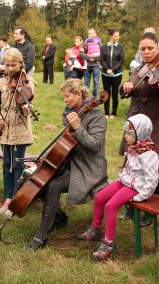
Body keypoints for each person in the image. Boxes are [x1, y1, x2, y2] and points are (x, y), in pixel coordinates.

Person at [26, 78, 108, 250]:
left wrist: (78, 127)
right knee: (39, 177)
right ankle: (59, 217)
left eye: (67, 96)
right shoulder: (71, 112)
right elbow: (65, 143)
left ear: (79, 94)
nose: (65, 100)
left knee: (53, 185)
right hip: (69, 163)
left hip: (88, 168)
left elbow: (95, 146)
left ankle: (41, 235)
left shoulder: (97, 115)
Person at [78, 114, 159, 261]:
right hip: (124, 182)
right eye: (125, 132)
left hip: (135, 187)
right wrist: (120, 177)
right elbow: (126, 167)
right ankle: (95, 228)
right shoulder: (133, 147)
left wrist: (141, 196)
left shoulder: (149, 154)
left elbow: (152, 179)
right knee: (99, 196)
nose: (125, 136)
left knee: (111, 206)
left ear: (140, 133)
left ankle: (108, 243)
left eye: (129, 133)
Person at [119, 31, 159, 226]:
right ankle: (131, 204)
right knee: (132, 164)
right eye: (142, 48)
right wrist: (126, 86)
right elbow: (127, 90)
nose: (146, 52)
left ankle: (151, 210)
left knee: (155, 165)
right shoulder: (138, 69)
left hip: (156, 120)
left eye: (150, 48)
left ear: (158, 47)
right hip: (136, 121)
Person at [0, 47, 35, 215]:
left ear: (20, 63)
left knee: (17, 165)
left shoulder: (27, 82)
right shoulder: (1, 82)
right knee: (6, 163)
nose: (9, 69)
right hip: (5, 130)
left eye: (13, 65)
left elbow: (29, 106)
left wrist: (26, 109)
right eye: (7, 65)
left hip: (21, 131)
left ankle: (16, 199)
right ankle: (8, 197)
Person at [99, 28, 124, 118]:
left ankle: (113, 112)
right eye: (115, 36)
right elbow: (101, 59)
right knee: (106, 93)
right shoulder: (104, 47)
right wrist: (107, 69)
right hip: (105, 74)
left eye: (118, 36)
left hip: (117, 75)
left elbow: (121, 61)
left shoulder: (120, 48)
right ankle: (106, 112)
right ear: (111, 36)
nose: (117, 38)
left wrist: (113, 69)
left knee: (114, 94)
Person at [80, 28, 102, 96]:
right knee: (86, 82)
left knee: (96, 81)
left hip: (96, 65)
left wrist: (95, 58)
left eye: (91, 33)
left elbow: (103, 53)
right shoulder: (85, 42)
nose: (90, 35)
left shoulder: (99, 42)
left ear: (95, 34)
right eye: (89, 33)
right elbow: (81, 52)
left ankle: (95, 97)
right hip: (87, 65)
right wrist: (88, 58)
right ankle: (87, 97)